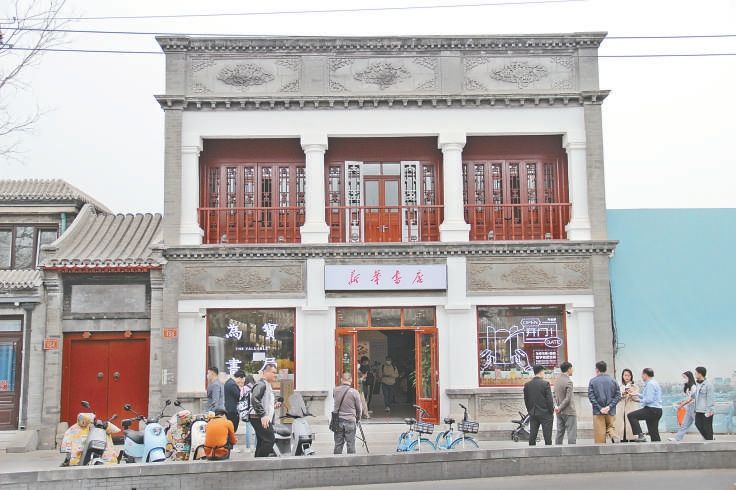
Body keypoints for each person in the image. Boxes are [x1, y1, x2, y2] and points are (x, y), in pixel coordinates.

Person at [250, 364, 281, 457]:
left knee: (262, 441)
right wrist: (263, 415)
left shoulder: (266, 384)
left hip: (260, 417)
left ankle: (258, 462)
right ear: (266, 372)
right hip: (259, 417)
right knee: (269, 440)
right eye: (273, 372)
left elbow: (263, 402)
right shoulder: (261, 384)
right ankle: (261, 462)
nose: (275, 375)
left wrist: (274, 405)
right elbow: (255, 399)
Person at [587, 360, 621, 444]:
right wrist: (609, 407)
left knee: (600, 435)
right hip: (611, 410)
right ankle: (613, 435)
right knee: (611, 427)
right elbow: (618, 395)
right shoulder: (613, 380)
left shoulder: (593, 381)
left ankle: (601, 450)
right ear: (606, 369)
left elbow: (591, 397)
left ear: (597, 369)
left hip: (598, 411)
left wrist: (600, 408)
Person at [628, 368, 663, 442]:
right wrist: (636, 394)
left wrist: (638, 400)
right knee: (654, 433)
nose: (641, 376)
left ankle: (641, 436)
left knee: (631, 416)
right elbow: (647, 396)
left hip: (651, 409)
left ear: (645, 375)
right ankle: (658, 447)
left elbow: (649, 399)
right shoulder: (654, 383)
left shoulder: (650, 384)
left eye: (642, 374)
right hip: (657, 410)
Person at [523, 365, 554, 446]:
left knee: (532, 435)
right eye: (543, 372)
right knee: (547, 436)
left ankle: (531, 451)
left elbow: (526, 400)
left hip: (533, 413)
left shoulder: (527, 385)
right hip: (545, 413)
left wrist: (530, 411)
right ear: (541, 372)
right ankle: (548, 451)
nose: (544, 373)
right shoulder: (545, 384)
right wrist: (551, 411)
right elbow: (549, 400)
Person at [333, 372, 363, 454]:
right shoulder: (354, 392)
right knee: (350, 444)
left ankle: (336, 460)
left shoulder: (335, 390)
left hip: (338, 420)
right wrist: (358, 418)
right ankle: (351, 461)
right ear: (351, 380)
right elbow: (359, 409)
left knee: (338, 444)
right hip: (350, 420)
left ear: (341, 380)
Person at [553, 361, 576, 445]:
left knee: (559, 433)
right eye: (572, 369)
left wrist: (556, 407)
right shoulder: (569, 382)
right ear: (569, 369)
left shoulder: (557, 380)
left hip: (559, 412)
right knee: (571, 433)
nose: (572, 370)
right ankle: (572, 451)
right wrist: (560, 407)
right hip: (569, 411)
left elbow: (554, 395)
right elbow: (568, 398)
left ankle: (557, 450)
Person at [615, 368, 640, 442]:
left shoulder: (635, 386)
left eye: (628, 375)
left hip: (630, 407)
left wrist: (632, 393)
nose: (627, 377)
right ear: (622, 376)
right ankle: (622, 438)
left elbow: (636, 398)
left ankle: (632, 437)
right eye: (625, 375)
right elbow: (616, 397)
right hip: (621, 408)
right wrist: (622, 394)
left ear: (631, 376)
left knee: (630, 423)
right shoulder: (619, 386)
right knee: (621, 423)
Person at [670, 371, 696, 442]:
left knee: (699, 424)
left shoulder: (693, 387)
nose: (683, 379)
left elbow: (691, 399)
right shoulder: (687, 387)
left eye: (684, 377)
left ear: (689, 377)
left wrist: (681, 405)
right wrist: (682, 402)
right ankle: (677, 438)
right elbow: (688, 398)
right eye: (683, 377)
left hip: (694, 408)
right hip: (689, 408)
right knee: (684, 425)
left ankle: (708, 437)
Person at [693, 366, 715, 440]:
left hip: (706, 410)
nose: (695, 374)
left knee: (707, 427)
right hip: (698, 409)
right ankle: (709, 439)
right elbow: (695, 396)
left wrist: (709, 411)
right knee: (697, 424)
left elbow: (710, 398)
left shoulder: (708, 385)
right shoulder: (696, 384)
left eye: (696, 373)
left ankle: (709, 441)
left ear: (700, 374)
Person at [238, 374, 256, 451]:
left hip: (247, 411)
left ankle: (248, 447)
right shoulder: (256, 387)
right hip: (255, 410)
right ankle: (256, 447)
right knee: (257, 429)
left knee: (248, 429)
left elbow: (240, 399)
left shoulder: (244, 388)